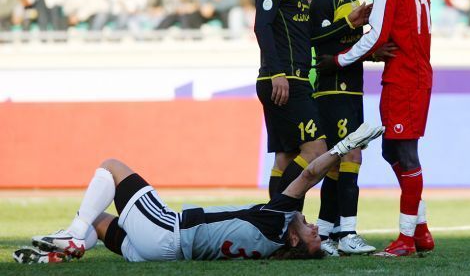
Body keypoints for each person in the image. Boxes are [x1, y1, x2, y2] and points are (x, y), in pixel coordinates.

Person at [14, 124, 385, 264]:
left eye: (312, 236)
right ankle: (58, 254)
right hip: (157, 253)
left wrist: (345, 146)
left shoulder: (276, 221)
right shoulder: (273, 244)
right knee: (95, 218)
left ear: (293, 239)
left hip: (168, 231)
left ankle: (72, 237)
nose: (316, 229)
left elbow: (309, 174)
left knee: (111, 166)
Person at [318, 0, 435, 257]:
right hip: (413, 75)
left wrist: (338, 60)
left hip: (404, 78)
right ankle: (420, 230)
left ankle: (406, 239)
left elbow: (378, 36)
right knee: (391, 151)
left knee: (406, 154)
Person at [254, 0, 368, 205]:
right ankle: (278, 213)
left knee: (288, 155)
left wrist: (350, 29)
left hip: (296, 79)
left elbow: (308, 36)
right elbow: (262, 26)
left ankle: (286, 220)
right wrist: (277, 73)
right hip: (285, 79)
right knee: (317, 150)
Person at [309, 0, 385, 256]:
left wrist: (373, 51)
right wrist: (348, 22)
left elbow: (350, 44)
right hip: (332, 91)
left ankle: (327, 233)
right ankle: (348, 232)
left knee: (339, 164)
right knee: (351, 155)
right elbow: (316, 38)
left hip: (353, 88)